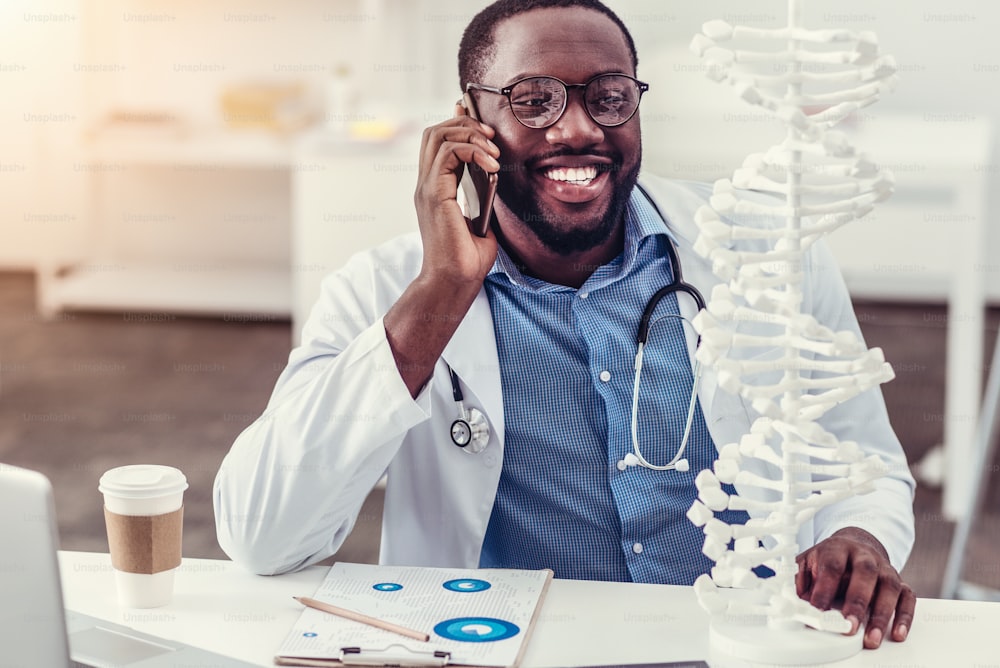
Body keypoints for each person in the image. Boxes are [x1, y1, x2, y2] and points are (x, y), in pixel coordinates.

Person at [214, 0, 916, 650]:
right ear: (468, 123)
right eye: (533, 100)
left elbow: (861, 457)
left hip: (734, 647)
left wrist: (859, 535)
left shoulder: (767, 251)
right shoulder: (384, 291)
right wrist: (440, 293)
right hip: (495, 652)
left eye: (610, 97)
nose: (578, 129)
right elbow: (263, 534)